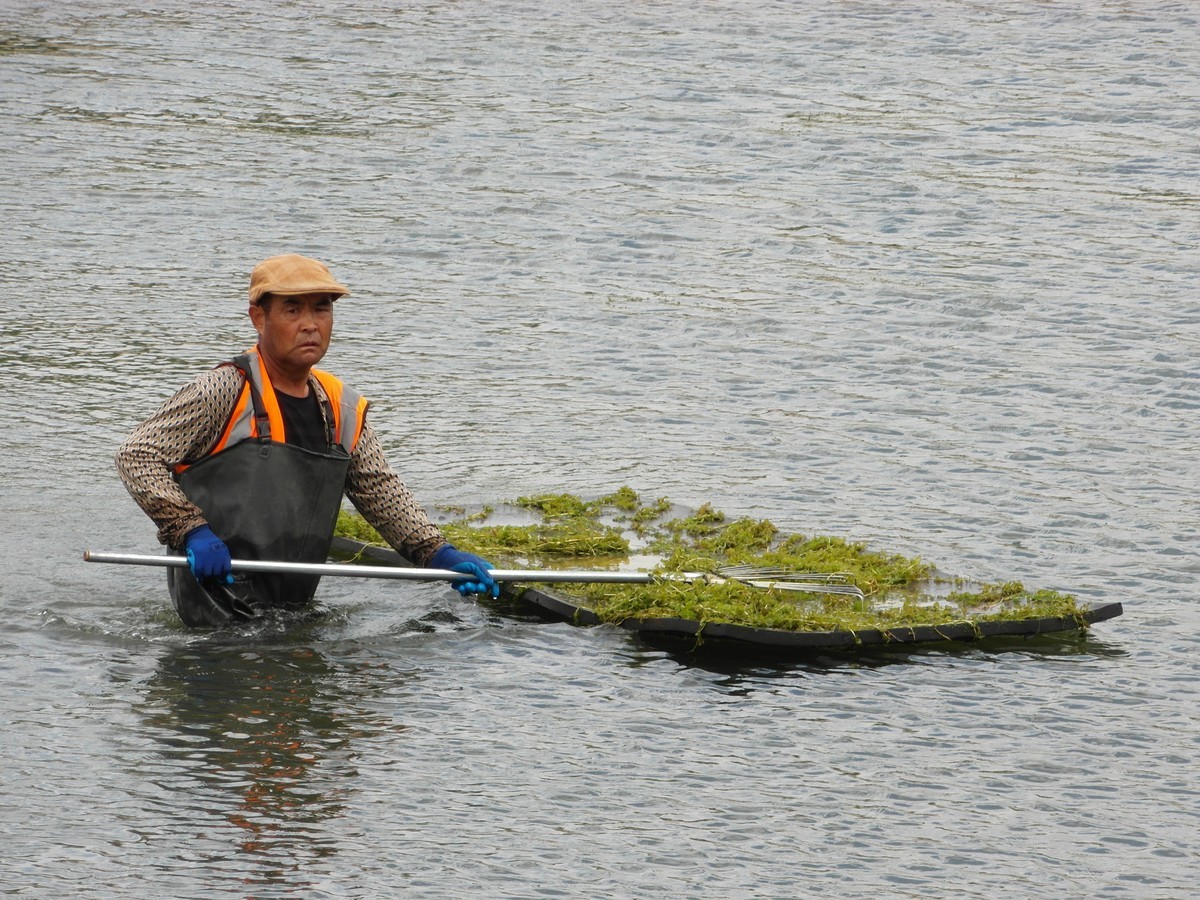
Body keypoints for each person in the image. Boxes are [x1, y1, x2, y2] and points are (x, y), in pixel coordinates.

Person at [116, 253, 498, 626]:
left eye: (321, 309)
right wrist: (191, 530)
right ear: (258, 318)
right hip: (213, 601)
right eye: (293, 310)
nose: (310, 325)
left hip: (292, 612)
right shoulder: (222, 390)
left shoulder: (342, 408)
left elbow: (379, 489)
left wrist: (437, 553)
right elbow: (136, 456)